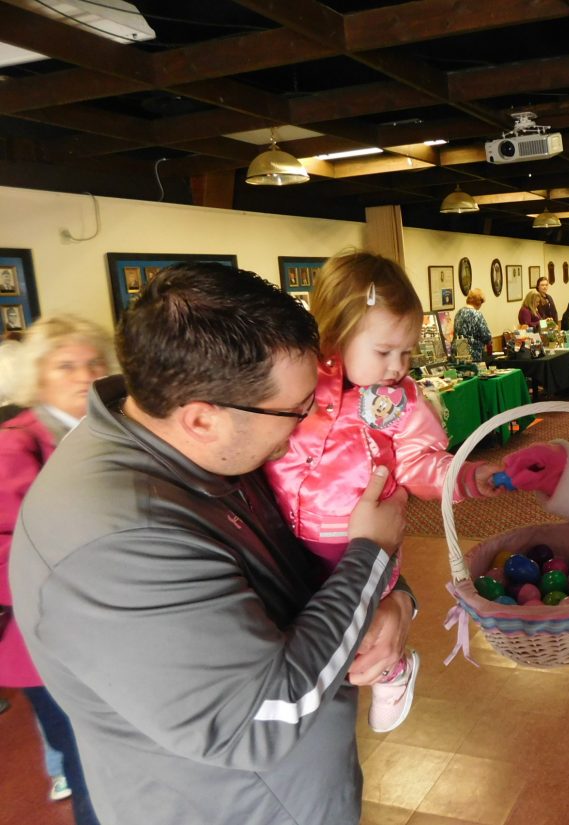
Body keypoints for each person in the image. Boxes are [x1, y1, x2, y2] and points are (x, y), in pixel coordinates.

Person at [11, 262, 412, 825]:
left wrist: (396, 600)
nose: (305, 427)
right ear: (202, 419)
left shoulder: (205, 444)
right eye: (297, 411)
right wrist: (370, 559)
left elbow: (313, 546)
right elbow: (259, 720)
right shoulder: (114, 543)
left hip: (300, 792)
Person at [265, 251, 501, 734]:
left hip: (362, 538)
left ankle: (393, 671)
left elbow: (420, 460)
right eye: (384, 352)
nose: (398, 367)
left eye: (407, 353)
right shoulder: (295, 381)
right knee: (310, 624)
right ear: (335, 334)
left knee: (363, 627)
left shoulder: (400, 401)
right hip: (288, 534)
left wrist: (464, 477)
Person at [1, 314, 113, 823]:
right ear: (38, 376)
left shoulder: (102, 430)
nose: (84, 375)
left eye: (94, 362)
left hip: (102, 633)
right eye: (66, 365)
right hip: (46, 643)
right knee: (88, 765)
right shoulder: (15, 443)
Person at [453, 287, 493, 360]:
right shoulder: (477, 314)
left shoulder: (458, 313)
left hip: (458, 354)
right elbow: (486, 336)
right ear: (479, 302)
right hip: (473, 355)